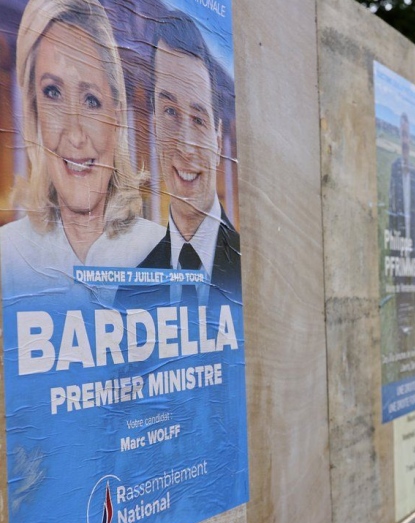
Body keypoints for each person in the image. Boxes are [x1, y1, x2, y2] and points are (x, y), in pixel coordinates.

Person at [1, 0, 164, 303]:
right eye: (53, 93)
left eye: (91, 100)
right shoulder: (8, 254)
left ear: (116, 117)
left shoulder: (158, 250)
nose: (75, 135)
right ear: (34, 111)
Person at [118, 9, 241, 310]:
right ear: (155, 123)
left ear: (216, 136)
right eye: (170, 112)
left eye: (198, 119)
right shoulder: (130, 292)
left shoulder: (251, 268)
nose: (185, 146)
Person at [388, 113, 415, 337]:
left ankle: (413, 326)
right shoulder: (394, 167)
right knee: (401, 283)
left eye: (407, 135)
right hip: (400, 238)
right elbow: (391, 203)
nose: (404, 140)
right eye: (401, 134)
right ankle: (401, 330)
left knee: (414, 284)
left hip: (414, 238)